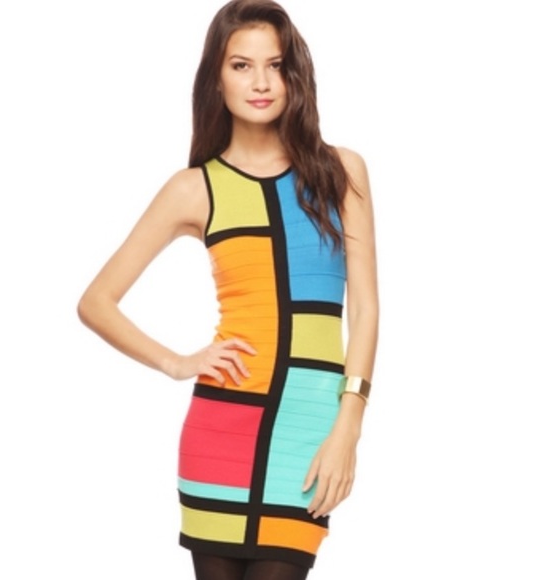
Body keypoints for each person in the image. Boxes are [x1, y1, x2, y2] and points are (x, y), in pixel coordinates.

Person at [77, 0, 378, 578]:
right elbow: (96, 302)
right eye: (242, 65)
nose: (261, 82)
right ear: (216, 77)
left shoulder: (341, 172)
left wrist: (350, 426)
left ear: (295, 74)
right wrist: (177, 362)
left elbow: (364, 309)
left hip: (307, 431)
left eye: (276, 65)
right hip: (221, 430)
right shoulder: (194, 188)